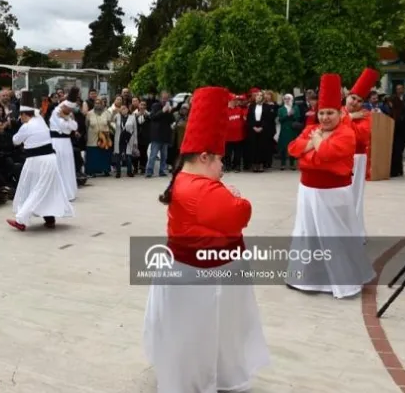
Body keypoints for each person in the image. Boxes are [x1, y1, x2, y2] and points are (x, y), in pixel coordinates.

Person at [143, 87, 270, 393]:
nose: (223, 168)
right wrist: (237, 198)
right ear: (203, 157)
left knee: (192, 331)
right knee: (206, 331)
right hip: (206, 275)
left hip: (191, 269)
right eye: (219, 161)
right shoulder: (202, 189)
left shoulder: (184, 180)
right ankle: (200, 378)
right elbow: (238, 215)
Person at [285, 73, 376, 298]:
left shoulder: (345, 133)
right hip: (307, 191)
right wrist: (314, 146)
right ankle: (307, 278)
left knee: (334, 236)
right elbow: (293, 149)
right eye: (322, 113)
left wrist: (316, 146)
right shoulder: (312, 129)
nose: (325, 117)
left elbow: (326, 155)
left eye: (330, 113)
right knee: (308, 233)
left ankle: (343, 281)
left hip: (332, 192)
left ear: (339, 114)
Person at [6, 92, 74, 231]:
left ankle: (21, 220)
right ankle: (49, 219)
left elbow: (15, 140)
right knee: (47, 188)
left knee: (34, 189)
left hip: (36, 161)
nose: (21, 118)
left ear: (25, 115)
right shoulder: (40, 120)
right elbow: (36, 114)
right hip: (49, 160)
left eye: (21, 116)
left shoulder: (27, 126)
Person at [342, 68, 377, 241]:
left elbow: (359, 137)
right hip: (338, 158)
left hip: (357, 158)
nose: (355, 102)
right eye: (353, 98)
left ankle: (355, 233)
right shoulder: (336, 111)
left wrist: (347, 119)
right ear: (347, 96)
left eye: (359, 100)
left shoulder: (366, 116)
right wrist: (350, 117)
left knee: (354, 196)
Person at [49, 87, 80, 201]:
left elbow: (75, 127)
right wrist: (68, 121)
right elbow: (64, 127)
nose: (71, 112)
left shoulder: (67, 113)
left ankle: (69, 191)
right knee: (59, 165)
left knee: (67, 166)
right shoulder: (55, 112)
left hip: (66, 142)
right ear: (64, 106)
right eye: (69, 110)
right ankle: (58, 192)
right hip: (56, 142)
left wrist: (67, 118)